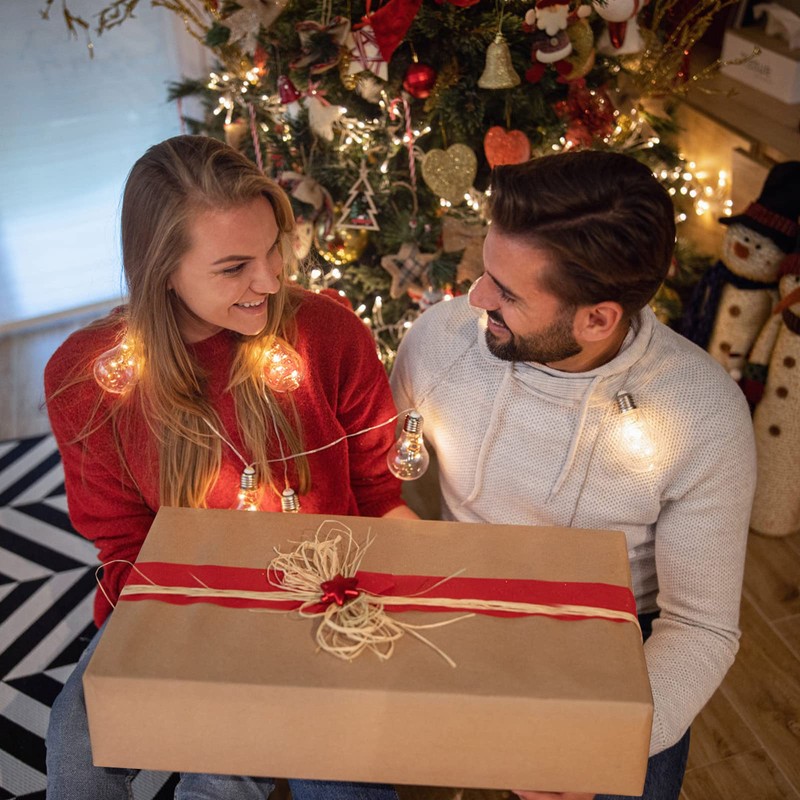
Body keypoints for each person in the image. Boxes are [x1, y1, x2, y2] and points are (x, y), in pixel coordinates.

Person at [44, 134, 416, 800]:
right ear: (163, 268)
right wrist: (184, 667)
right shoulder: (91, 378)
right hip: (176, 604)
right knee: (75, 754)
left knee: (325, 783)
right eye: (234, 266)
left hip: (326, 600)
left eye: (275, 248)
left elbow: (377, 489)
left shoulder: (327, 334)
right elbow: (123, 540)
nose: (270, 281)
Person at [390, 150, 757, 800]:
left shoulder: (702, 414)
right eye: (486, 270)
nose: (474, 297)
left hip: (619, 642)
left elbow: (699, 625)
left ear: (596, 319)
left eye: (506, 292)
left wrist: (596, 739)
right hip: (469, 603)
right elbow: (365, 473)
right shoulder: (443, 341)